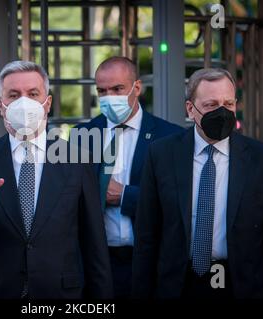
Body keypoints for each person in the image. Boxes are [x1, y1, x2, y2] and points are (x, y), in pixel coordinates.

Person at [0, 60, 113, 299]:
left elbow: (94, 242)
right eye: (14, 95)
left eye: (33, 94)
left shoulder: (78, 161)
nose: (24, 103)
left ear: (48, 103)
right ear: (1, 106)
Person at [132, 68, 263, 299]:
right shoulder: (162, 155)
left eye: (228, 104)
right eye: (211, 105)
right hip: (178, 285)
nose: (222, 112)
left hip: (241, 285)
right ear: (190, 109)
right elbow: (147, 235)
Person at [74, 56, 182, 298]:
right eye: (102, 90)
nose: (109, 96)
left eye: (117, 88)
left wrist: (124, 195)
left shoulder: (170, 137)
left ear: (137, 88)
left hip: (149, 262)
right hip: (98, 264)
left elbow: (178, 200)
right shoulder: (81, 136)